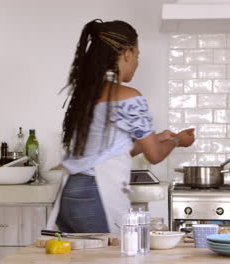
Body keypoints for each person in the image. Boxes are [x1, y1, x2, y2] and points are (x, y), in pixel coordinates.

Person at [47, 19, 195, 233]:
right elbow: (155, 156)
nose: (137, 62)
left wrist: (157, 138)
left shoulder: (86, 95)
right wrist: (177, 140)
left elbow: (111, 151)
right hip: (96, 193)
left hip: (71, 192)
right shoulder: (129, 97)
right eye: (137, 56)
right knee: (111, 256)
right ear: (126, 54)